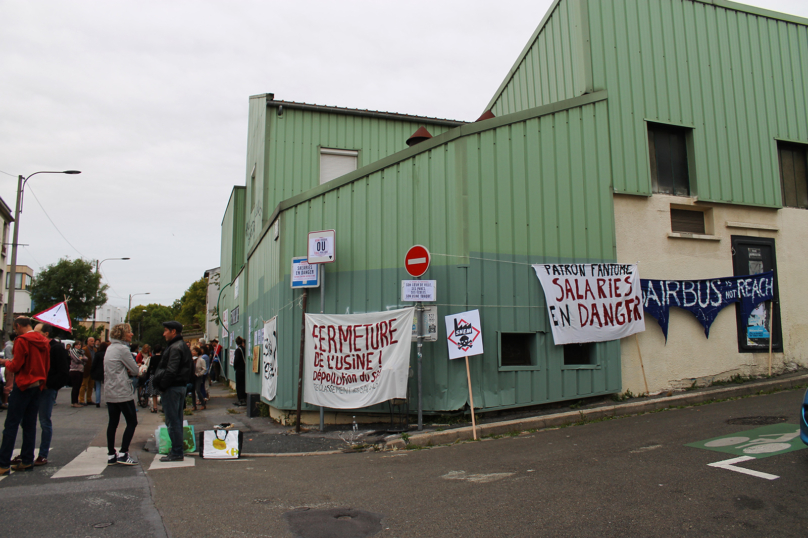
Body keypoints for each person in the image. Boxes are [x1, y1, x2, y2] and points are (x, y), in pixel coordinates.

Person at [0, 317, 51, 474]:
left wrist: (4, 362)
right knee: (29, 424)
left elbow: (16, 365)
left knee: (11, 425)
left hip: (23, 384)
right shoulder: (43, 341)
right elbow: (47, 364)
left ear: (17, 326)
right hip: (37, 384)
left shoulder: (22, 340)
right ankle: (28, 460)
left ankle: (3, 464)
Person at [24, 324, 70, 467]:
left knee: (44, 421)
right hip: (34, 386)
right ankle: (26, 452)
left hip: (46, 388)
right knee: (27, 420)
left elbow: (63, 371)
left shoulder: (56, 348)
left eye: (36, 332)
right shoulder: (37, 346)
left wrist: (50, 384)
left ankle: (43, 454)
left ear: (45, 334)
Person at [153, 321, 192, 462]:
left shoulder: (175, 347)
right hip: (180, 386)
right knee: (177, 419)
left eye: (166, 331)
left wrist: (162, 386)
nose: (164, 334)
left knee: (172, 420)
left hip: (172, 387)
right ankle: (177, 450)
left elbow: (171, 370)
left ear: (173, 331)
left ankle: (176, 451)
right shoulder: (182, 346)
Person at [104, 324, 139, 465]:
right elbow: (135, 370)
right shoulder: (123, 349)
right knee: (132, 421)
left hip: (110, 390)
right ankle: (124, 452)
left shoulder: (110, 348)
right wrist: (130, 371)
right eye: (129, 332)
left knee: (113, 422)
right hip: (122, 390)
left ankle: (111, 454)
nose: (131, 334)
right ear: (123, 334)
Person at [68, 341, 88, 408]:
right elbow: (76, 360)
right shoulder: (73, 351)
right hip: (75, 370)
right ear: (74, 345)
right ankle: (74, 402)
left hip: (80, 370)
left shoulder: (81, 352)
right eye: (77, 345)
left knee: (78, 386)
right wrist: (82, 359)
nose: (78, 346)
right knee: (75, 387)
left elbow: (86, 358)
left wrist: (82, 358)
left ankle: (76, 401)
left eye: (79, 344)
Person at [91, 342, 109, 408]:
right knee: (106, 387)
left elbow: (94, 363)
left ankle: (97, 402)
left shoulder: (97, 354)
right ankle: (107, 401)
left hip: (98, 372)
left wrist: (92, 371)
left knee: (98, 387)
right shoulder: (107, 354)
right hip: (105, 372)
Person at [78, 337, 96, 405]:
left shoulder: (95, 350)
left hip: (92, 370)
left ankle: (89, 399)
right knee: (84, 385)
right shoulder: (84, 349)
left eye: (93, 341)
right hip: (86, 370)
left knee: (91, 386)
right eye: (91, 341)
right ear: (88, 342)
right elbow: (81, 358)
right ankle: (81, 399)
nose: (93, 342)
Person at [146, 345, 162, 413]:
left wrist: (147, 376)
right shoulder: (163, 358)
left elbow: (150, 367)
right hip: (161, 375)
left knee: (154, 392)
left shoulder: (152, 358)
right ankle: (163, 407)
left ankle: (155, 407)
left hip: (154, 375)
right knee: (162, 392)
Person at [1, 333, 14, 410]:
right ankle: (5, 402)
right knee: (9, 385)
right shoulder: (9, 347)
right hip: (9, 367)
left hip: (11, 366)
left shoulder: (11, 346)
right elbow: (9, 359)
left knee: (10, 385)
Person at [233, 336, 246, 406]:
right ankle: (244, 398)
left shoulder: (238, 350)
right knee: (243, 384)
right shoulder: (244, 349)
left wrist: (234, 366)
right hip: (244, 369)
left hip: (239, 369)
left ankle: (240, 399)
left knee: (239, 385)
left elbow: (236, 360)